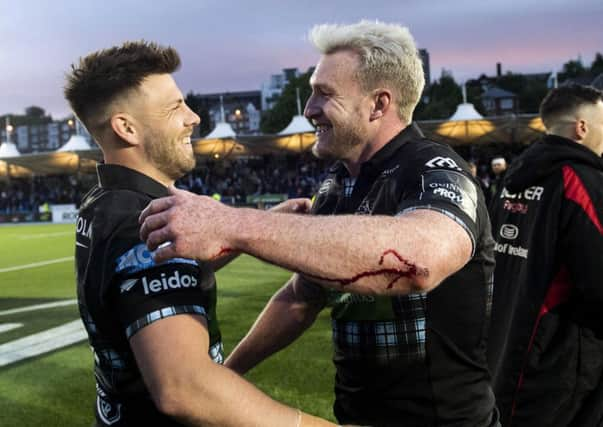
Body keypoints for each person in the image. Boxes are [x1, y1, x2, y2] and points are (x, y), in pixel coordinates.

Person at [139, 21, 498, 427]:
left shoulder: (436, 169)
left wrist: (233, 224)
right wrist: (224, 377)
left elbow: (421, 258)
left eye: (324, 94)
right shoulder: (336, 186)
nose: (308, 109)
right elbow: (301, 299)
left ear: (379, 104)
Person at [66, 41, 337, 427]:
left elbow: (159, 270)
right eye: (175, 106)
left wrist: (253, 228)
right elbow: (184, 387)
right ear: (126, 128)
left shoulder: (106, 199)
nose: (193, 117)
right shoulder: (139, 219)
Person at [487, 84, 603, 426]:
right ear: (581, 127)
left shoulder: (513, 177)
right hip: (560, 366)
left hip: (507, 351)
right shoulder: (580, 180)